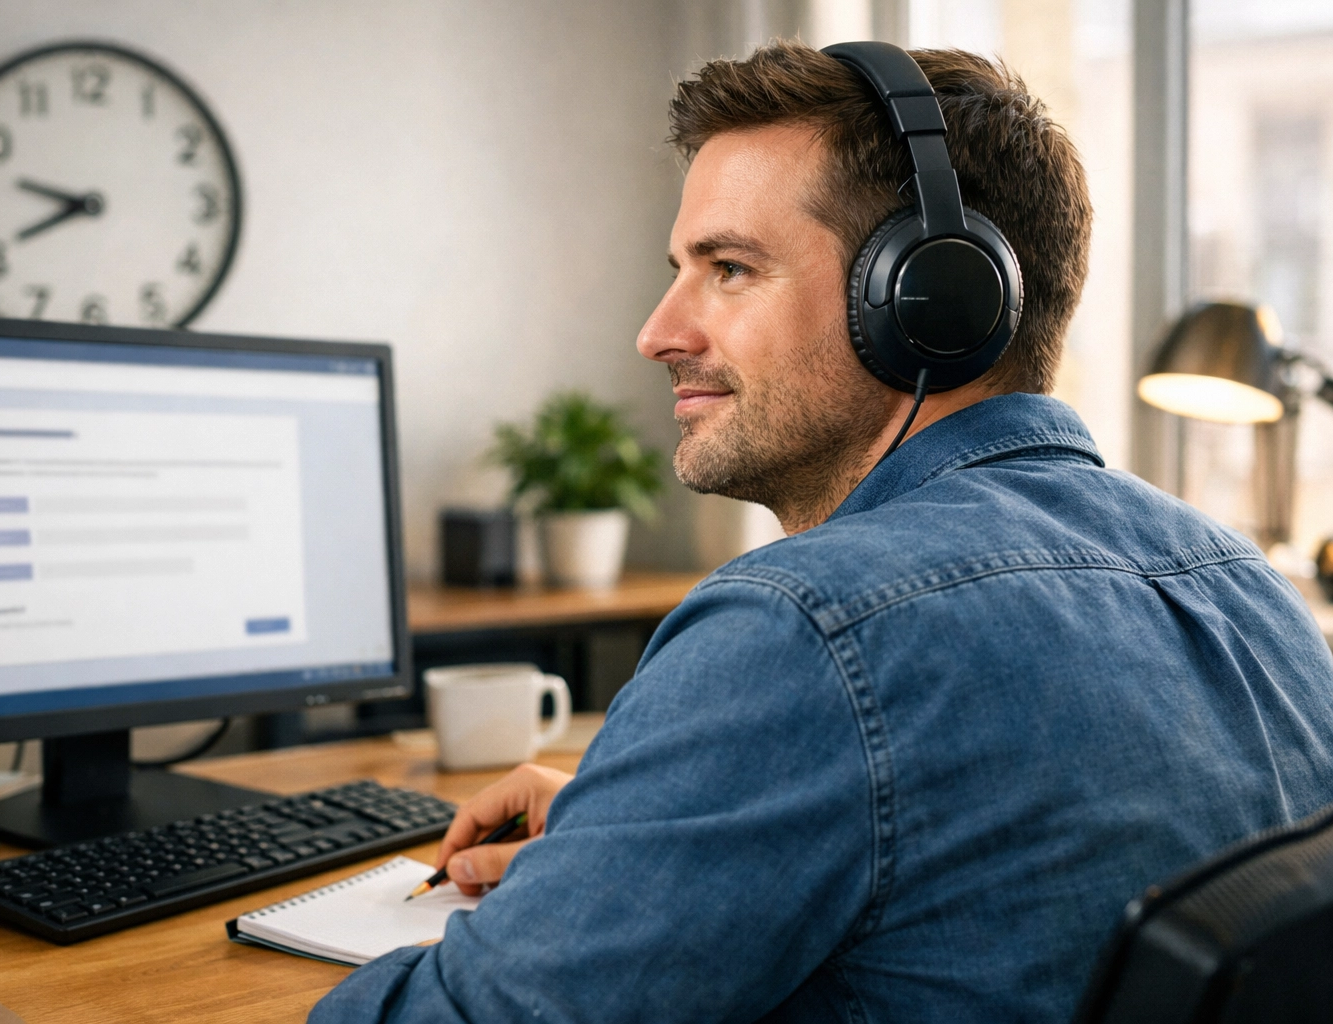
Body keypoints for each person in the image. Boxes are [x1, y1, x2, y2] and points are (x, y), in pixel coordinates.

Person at [310, 42, 1333, 1022]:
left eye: (731, 268)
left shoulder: (803, 633)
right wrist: (639, 840)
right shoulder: (1247, 591)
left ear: (928, 299)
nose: (659, 331)